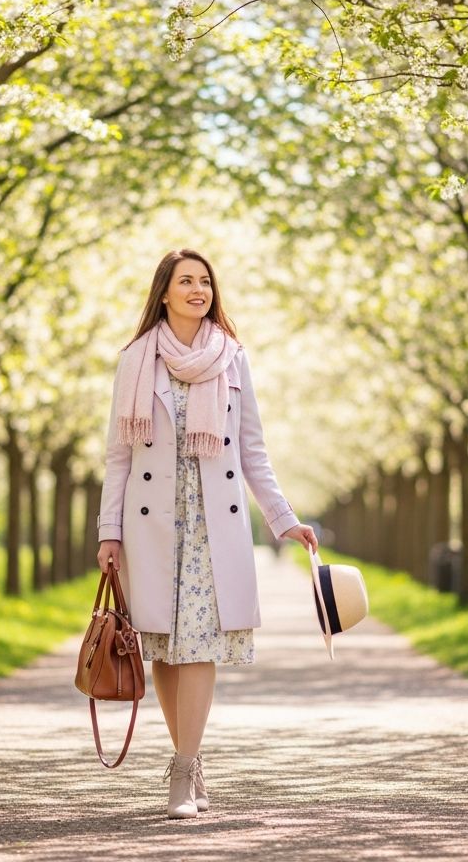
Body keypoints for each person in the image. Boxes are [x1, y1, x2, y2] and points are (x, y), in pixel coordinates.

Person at [95, 248, 317, 819]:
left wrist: (284, 518)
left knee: (199, 644)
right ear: (164, 292)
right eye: (186, 281)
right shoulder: (135, 360)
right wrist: (108, 531)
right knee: (165, 650)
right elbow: (119, 458)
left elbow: (252, 451)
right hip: (151, 525)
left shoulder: (232, 358)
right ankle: (188, 760)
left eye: (205, 281)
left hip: (211, 522)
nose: (198, 290)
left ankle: (182, 767)